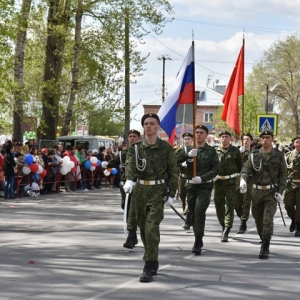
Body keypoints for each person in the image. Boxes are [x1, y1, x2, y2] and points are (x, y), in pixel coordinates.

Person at [123, 113, 178, 283]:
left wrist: (171, 193)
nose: (149, 126)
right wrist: (129, 180)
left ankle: (147, 266)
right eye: (146, 124)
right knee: (143, 228)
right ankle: (153, 258)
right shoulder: (136, 148)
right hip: (140, 191)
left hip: (157, 192)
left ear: (158, 126)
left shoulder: (166, 148)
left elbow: (173, 172)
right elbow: (130, 165)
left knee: (151, 228)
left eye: (152, 123)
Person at [240, 130, 287, 259]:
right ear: (260, 140)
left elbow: (283, 175)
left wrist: (280, 191)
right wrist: (243, 180)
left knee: (267, 219)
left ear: (272, 139)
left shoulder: (278, 155)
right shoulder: (254, 155)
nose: (265, 140)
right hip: (256, 192)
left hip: (271, 192)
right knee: (257, 218)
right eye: (263, 138)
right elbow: (245, 169)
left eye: (268, 137)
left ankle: (265, 246)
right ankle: (263, 237)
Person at [177, 125, 219, 255]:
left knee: (200, 211)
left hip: (204, 186)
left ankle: (197, 240)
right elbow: (173, 161)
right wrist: (186, 155)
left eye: (201, 133)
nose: (199, 135)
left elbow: (216, 169)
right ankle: (198, 236)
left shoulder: (211, 151)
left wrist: (202, 178)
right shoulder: (188, 149)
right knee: (194, 213)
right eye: (196, 133)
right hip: (190, 187)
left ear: (206, 136)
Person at [102, 129, 141, 249]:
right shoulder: (122, 154)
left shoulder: (142, 152)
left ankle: (131, 235)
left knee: (132, 210)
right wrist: (106, 165)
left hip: (138, 184)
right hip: (125, 185)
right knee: (125, 206)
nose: (132, 138)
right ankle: (133, 235)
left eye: (134, 136)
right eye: (130, 136)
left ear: (139, 138)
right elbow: (114, 163)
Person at [214, 130, 242, 242]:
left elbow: (241, 168)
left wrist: (242, 180)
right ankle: (223, 224)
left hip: (231, 182)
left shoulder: (235, 151)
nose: (224, 138)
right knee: (219, 205)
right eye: (222, 137)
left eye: (226, 137)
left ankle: (227, 229)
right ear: (219, 139)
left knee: (229, 206)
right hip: (218, 182)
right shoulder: (215, 151)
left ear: (230, 139)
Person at [235, 133, 254, 234]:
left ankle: (243, 222)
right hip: (238, 180)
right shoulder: (237, 152)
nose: (245, 141)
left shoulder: (254, 153)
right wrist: (239, 154)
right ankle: (242, 216)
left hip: (249, 180)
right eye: (244, 139)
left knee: (246, 201)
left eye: (247, 139)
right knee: (236, 203)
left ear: (251, 141)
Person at [283, 136, 300, 236]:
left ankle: (298, 226)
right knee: (288, 204)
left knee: (299, 206)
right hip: (290, 184)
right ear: (294, 144)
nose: (298, 144)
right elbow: (283, 170)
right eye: (297, 142)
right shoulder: (288, 155)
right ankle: (293, 218)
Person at [176, 132, 193, 229]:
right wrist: (181, 165)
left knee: (189, 198)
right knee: (183, 197)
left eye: (188, 139)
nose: (186, 141)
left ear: (191, 140)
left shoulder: (195, 150)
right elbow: (174, 161)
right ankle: (187, 217)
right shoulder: (180, 151)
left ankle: (188, 219)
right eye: (185, 139)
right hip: (182, 177)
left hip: (190, 177)